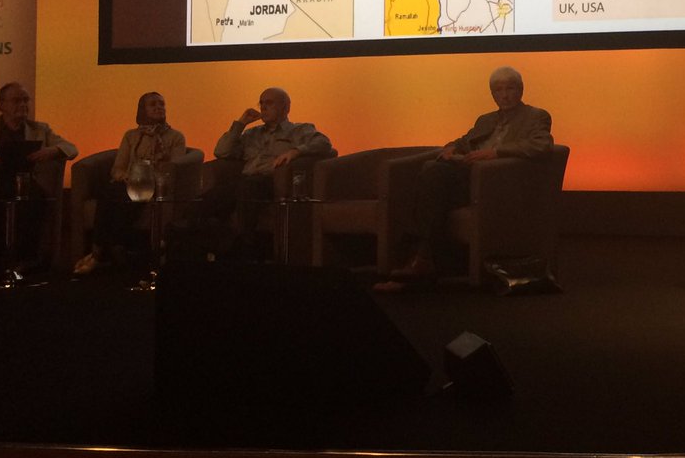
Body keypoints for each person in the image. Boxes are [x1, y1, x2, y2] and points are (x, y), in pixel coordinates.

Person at [375, 66, 553, 293]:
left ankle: (420, 263)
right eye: (498, 91)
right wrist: (451, 148)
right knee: (428, 180)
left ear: (520, 90)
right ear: (493, 94)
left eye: (510, 89)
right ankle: (422, 262)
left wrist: (496, 153)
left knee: (432, 177)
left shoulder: (536, 116)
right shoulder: (485, 120)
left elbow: (541, 145)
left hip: (497, 184)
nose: (505, 95)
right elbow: (464, 141)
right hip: (468, 178)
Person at [195, 87, 332, 261]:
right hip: (245, 181)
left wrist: (296, 151)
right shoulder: (251, 134)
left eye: (269, 103)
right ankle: (187, 236)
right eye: (261, 103)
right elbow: (221, 152)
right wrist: (240, 124)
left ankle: (245, 247)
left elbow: (324, 143)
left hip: (271, 183)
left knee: (248, 187)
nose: (263, 107)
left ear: (285, 108)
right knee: (208, 199)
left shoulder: (299, 129)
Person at [73, 91, 187, 276]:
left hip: (156, 186)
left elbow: (174, 170)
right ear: (143, 110)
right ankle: (112, 247)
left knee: (122, 195)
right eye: (153, 104)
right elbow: (117, 168)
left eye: (162, 104)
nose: (159, 107)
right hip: (128, 184)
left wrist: (159, 159)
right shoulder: (131, 136)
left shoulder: (176, 137)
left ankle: (99, 252)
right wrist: (128, 177)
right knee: (111, 192)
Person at [0, 82, 79, 280]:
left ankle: (25, 260)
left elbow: (71, 149)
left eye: (25, 100)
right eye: (16, 100)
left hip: (27, 183)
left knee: (35, 199)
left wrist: (51, 150)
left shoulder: (40, 129)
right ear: (2, 105)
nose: (23, 105)